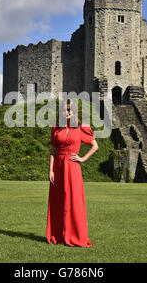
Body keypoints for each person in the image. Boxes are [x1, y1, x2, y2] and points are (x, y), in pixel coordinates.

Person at [46, 99, 99, 247]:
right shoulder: (56, 128)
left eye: (70, 109)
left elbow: (95, 146)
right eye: (65, 109)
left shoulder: (81, 128)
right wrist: (50, 170)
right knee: (58, 201)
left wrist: (82, 159)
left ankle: (75, 235)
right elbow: (54, 150)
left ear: (74, 111)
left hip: (72, 167)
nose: (67, 112)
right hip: (58, 166)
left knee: (74, 201)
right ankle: (58, 235)